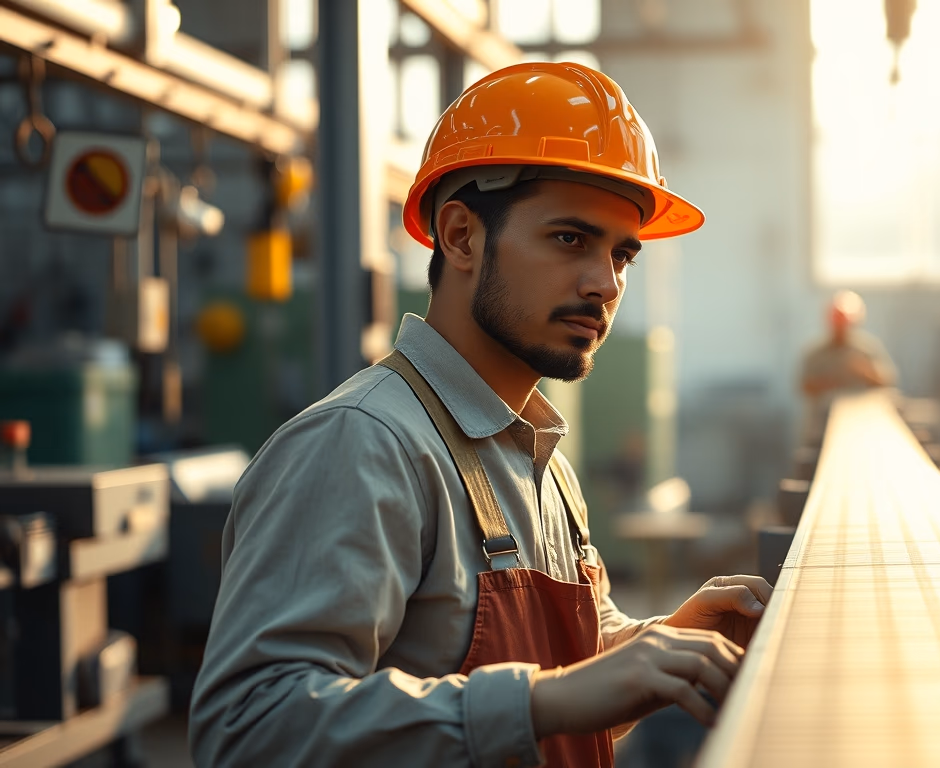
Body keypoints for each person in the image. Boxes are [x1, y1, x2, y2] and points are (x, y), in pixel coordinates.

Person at [189, 62, 772, 768]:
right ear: (460, 237)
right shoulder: (362, 446)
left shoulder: (536, 455)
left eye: (623, 255)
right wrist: (544, 701)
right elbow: (248, 730)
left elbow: (571, 690)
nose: (605, 284)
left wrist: (659, 644)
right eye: (570, 240)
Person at [798, 290, 898, 445]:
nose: (840, 326)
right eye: (836, 320)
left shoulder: (868, 350)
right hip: (822, 428)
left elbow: (888, 381)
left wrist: (864, 372)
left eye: (844, 322)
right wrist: (832, 382)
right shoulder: (815, 354)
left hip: (863, 427)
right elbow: (804, 386)